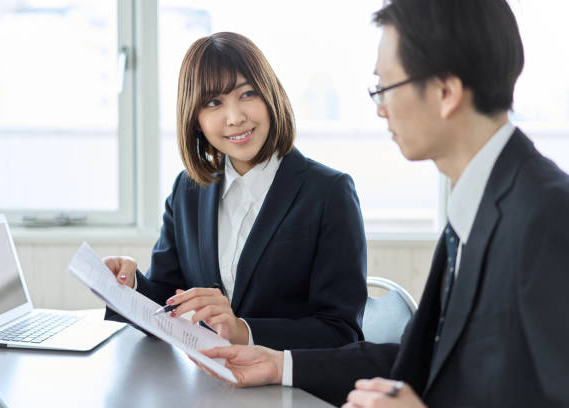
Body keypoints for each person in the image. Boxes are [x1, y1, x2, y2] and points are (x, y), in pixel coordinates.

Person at [195, 1, 569, 407]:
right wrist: (281, 365)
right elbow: (423, 362)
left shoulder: (547, 216)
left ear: (446, 93)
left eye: (385, 87)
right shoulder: (478, 203)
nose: (379, 108)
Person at [104, 32, 368, 350]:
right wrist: (128, 285)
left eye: (247, 94)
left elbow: (341, 332)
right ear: (196, 120)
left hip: (288, 392)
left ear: (271, 97)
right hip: (206, 386)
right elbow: (167, 300)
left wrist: (241, 331)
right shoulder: (188, 191)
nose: (235, 117)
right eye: (214, 103)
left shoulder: (329, 193)